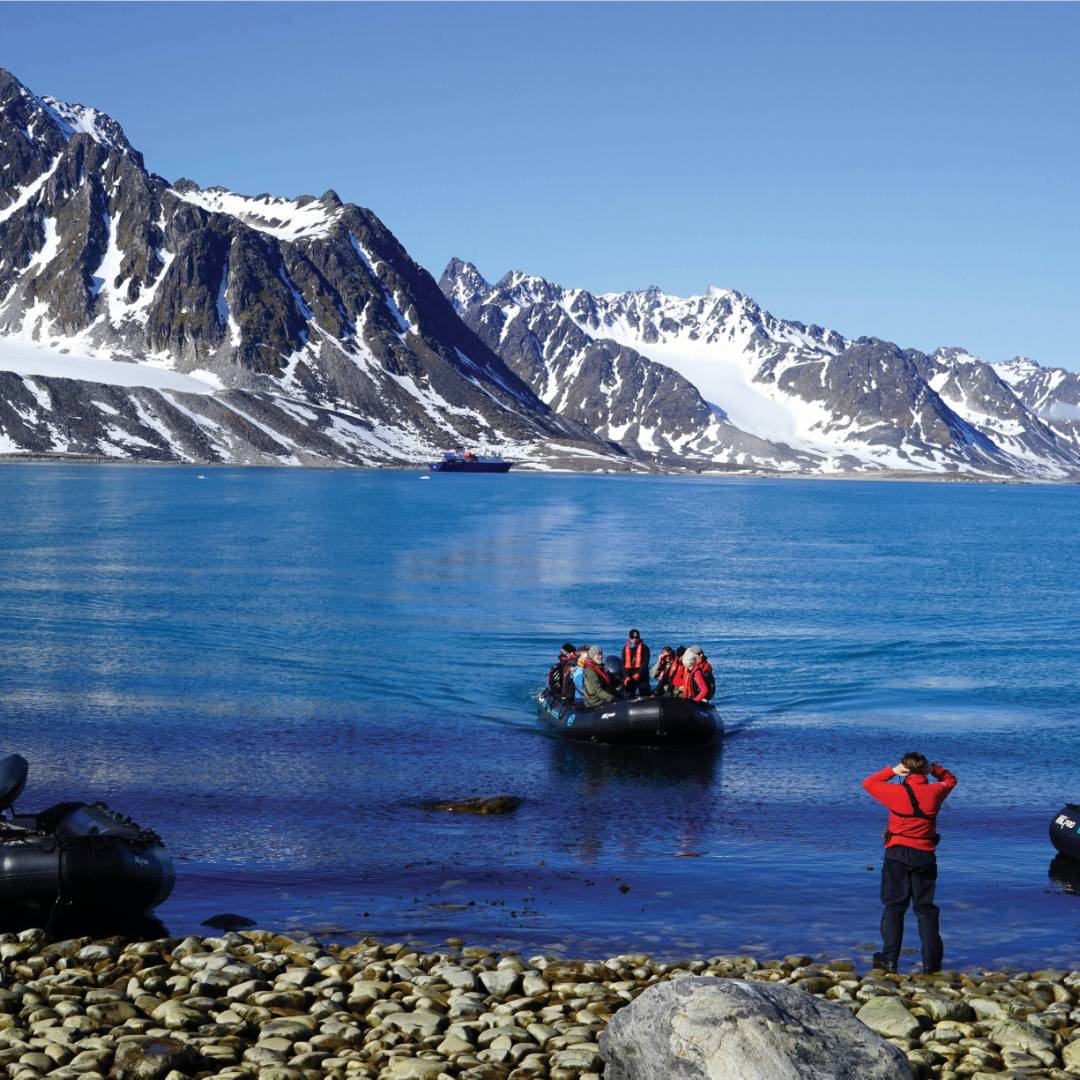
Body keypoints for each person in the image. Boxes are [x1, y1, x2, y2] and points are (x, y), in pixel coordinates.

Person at [862, 753, 957, 974]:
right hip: (925, 853)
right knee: (925, 909)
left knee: (894, 907)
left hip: (897, 853)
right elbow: (951, 779)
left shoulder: (896, 792)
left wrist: (892, 772)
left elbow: (868, 783)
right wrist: (934, 768)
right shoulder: (935, 791)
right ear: (924, 770)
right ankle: (931, 963)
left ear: (905, 769)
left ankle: (889, 960)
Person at [622, 629, 651, 698]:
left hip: (642, 675)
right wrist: (626, 676)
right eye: (632, 638)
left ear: (639, 638)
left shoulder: (645, 648)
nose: (634, 640)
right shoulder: (625, 648)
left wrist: (638, 674)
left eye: (636, 638)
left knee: (645, 695)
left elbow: (645, 663)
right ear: (629, 638)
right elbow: (622, 664)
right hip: (630, 676)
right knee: (628, 695)